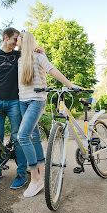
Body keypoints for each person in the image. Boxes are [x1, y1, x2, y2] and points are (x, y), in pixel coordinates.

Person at [0, 27, 44, 189]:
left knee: (18, 137)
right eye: (14, 39)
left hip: (15, 100)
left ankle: (21, 173)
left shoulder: (19, 54)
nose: (16, 43)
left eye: (18, 40)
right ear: (6, 37)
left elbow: (32, 54)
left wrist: (42, 50)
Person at [16, 31, 81, 198]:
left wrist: (69, 84)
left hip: (37, 100)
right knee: (34, 137)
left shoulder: (38, 56)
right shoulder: (20, 59)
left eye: (19, 40)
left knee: (23, 136)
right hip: (23, 101)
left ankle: (35, 179)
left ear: (26, 41)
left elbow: (52, 70)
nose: (17, 42)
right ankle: (44, 173)